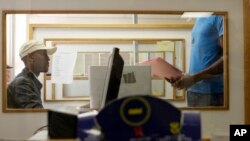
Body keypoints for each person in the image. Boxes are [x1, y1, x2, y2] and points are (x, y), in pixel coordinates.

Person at [168, 15, 224, 107]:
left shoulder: (219, 16)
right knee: (193, 122)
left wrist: (194, 78)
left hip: (212, 92)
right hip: (192, 90)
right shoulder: (199, 18)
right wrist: (185, 77)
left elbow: (230, 58)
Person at [7, 40, 57, 108]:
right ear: (30, 57)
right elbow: (37, 115)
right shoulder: (23, 83)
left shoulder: (29, 81)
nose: (48, 59)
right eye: (44, 54)